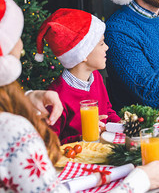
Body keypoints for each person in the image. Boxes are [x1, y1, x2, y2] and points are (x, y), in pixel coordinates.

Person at [0, 0, 159, 193]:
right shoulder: (10, 133)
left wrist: (28, 96)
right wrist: (140, 181)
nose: (20, 44)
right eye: (15, 36)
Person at [35, 8, 121, 144]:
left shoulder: (96, 77)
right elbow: (50, 143)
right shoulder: (57, 96)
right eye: (101, 43)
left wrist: (122, 125)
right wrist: (83, 137)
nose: (107, 47)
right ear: (83, 54)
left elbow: (108, 111)